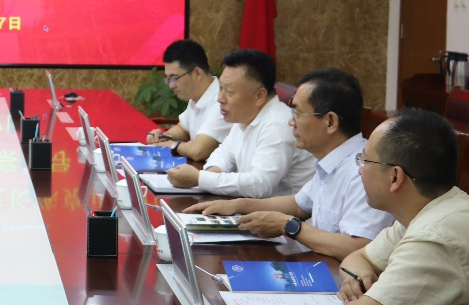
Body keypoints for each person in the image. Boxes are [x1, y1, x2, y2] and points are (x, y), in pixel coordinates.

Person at [184, 68, 393, 261]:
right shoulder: (332, 161)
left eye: (297, 114)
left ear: (330, 122)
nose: (291, 122)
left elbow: (359, 247)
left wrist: (289, 226)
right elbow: (297, 204)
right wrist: (238, 205)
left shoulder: (363, 171)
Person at [338, 109, 469, 305]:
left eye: (365, 161)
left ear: (395, 176)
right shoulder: (425, 211)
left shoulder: (435, 235)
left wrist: (361, 293)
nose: (360, 170)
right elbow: (356, 258)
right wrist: (362, 277)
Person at [166, 48, 315, 197]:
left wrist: (200, 179)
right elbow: (224, 154)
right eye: (220, 88)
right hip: (254, 206)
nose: (220, 98)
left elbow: (260, 185)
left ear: (259, 96)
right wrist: (207, 176)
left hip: (286, 211)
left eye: (229, 92)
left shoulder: (278, 125)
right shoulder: (244, 115)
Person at [146, 39, 231, 162]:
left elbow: (198, 151)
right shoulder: (196, 96)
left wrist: (170, 145)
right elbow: (183, 129)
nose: (171, 86)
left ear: (197, 73)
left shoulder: (221, 102)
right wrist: (163, 137)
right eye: (168, 79)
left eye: (175, 78)